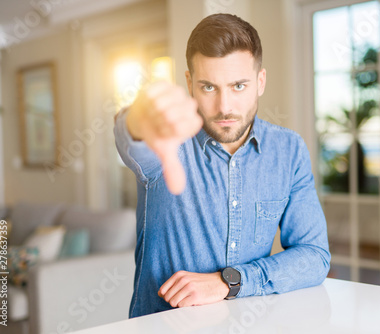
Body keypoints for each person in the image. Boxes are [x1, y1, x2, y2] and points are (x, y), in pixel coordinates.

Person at [114, 13, 330, 318]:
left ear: (260, 81)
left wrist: (229, 282)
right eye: (209, 88)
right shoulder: (168, 141)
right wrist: (140, 118)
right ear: (190, 83)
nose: (224, 107)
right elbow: (132, 134)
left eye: (238, 86)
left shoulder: (288, 149)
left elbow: (314, 256)